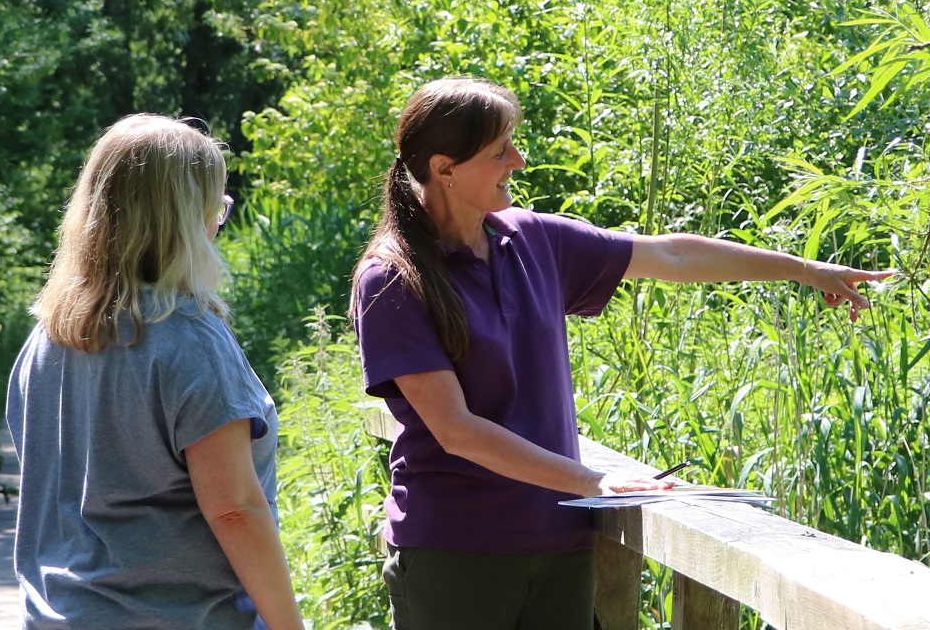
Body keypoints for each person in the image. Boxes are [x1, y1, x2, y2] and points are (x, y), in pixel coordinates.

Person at [352, 77, 895, 630]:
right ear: (445, 168)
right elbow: (456, 430)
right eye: (499, 151)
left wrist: (804, 270)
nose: (517, 160)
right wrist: (591, 483)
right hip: (456, 555)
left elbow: (674, 257)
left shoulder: (533, 240)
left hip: (560, 541)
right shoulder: (393, 281)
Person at [6, 115, 303, 630]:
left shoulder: (48, 337)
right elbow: (235, 511)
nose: (218, 223)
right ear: (185, 218)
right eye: (217, 207)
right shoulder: (189, 340)